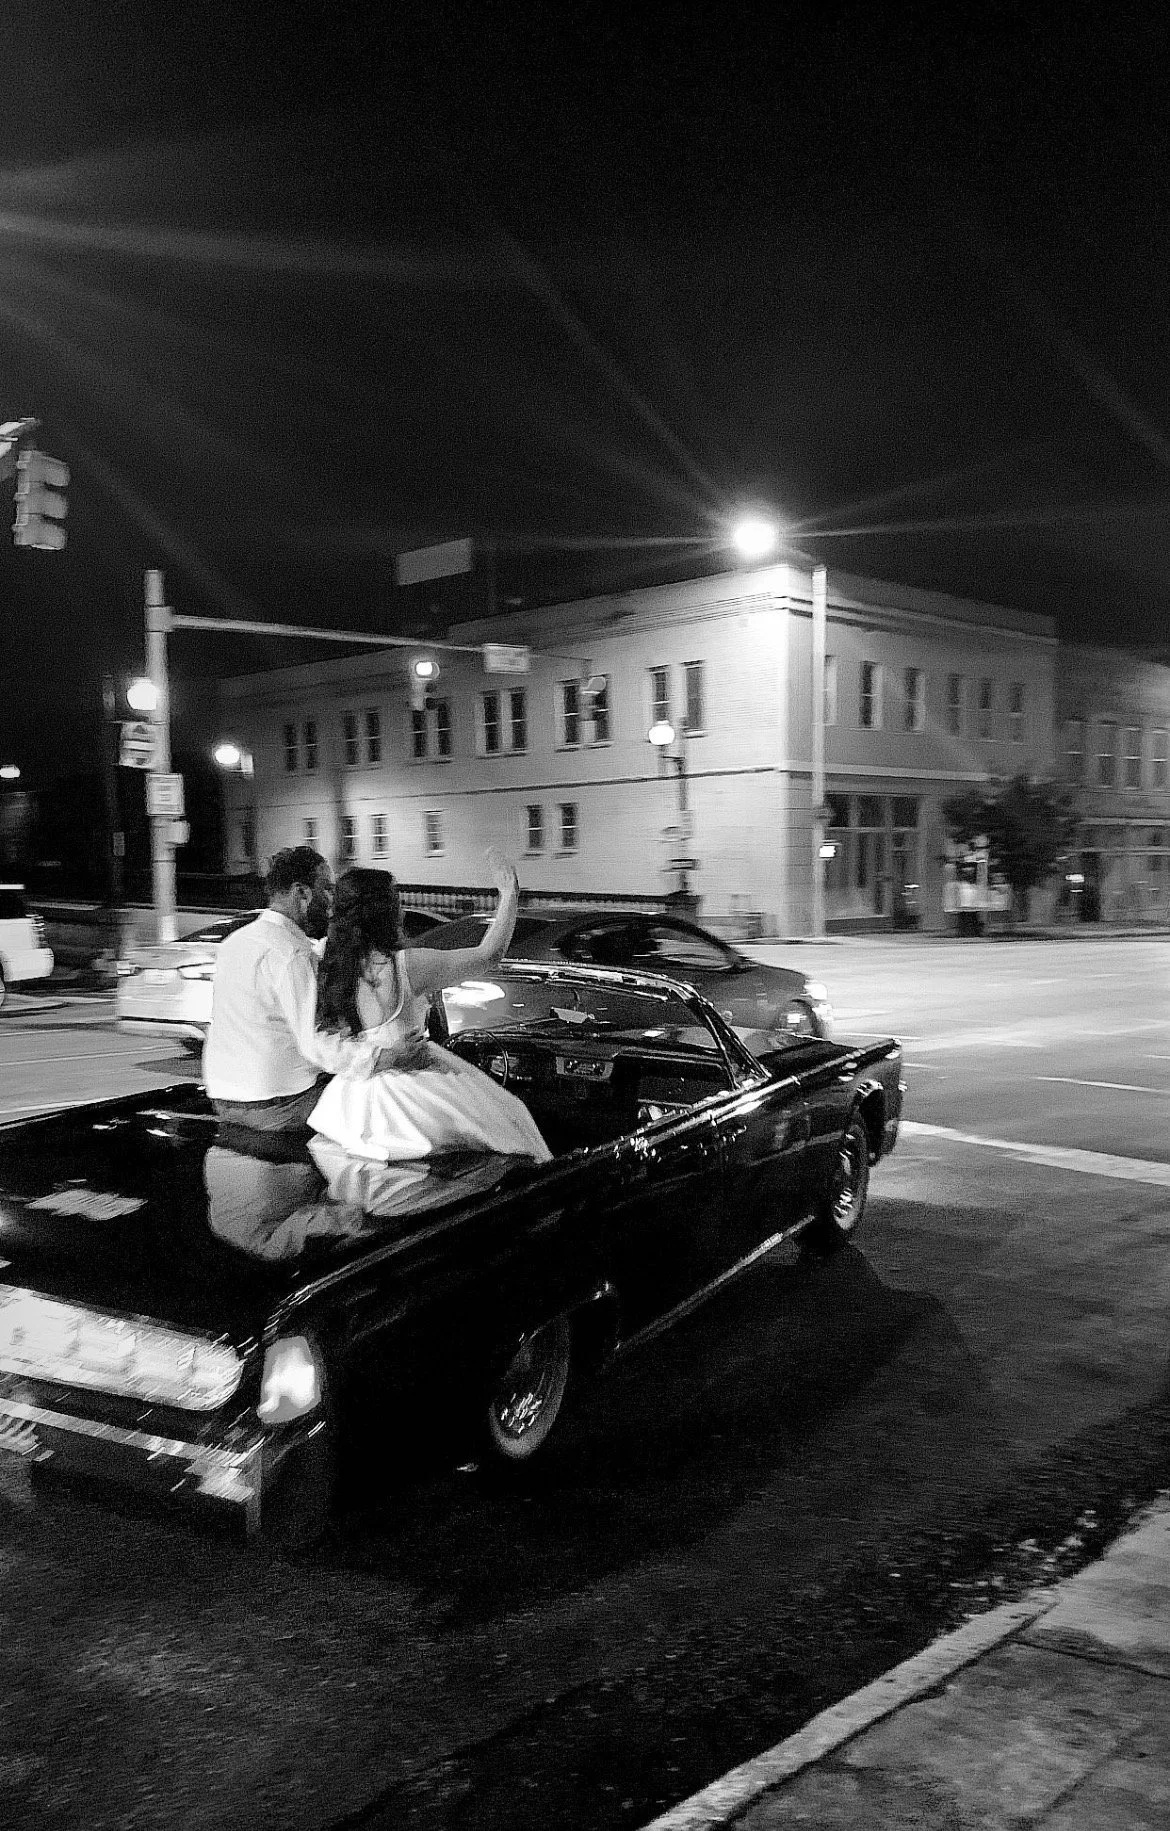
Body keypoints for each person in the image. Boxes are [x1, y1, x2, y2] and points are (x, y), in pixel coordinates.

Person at [307, 853, 552, 1164]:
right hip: (410, 1093)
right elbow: (489, 954)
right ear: (386, 912)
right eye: (395, 900)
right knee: (511, 1120)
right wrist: (508, 894)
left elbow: (319, 1040)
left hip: (354, 1101)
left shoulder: (327, 965)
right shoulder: (406, 966)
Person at [202, 846, 409, 1132]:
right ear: (302, 893)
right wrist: (384, 1058)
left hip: (224, 1098)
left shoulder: (235, 942)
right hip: (281, 1104)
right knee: (385, 1104)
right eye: (326, 889)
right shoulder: (291, 954)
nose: (332, 902)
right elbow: (316, 1042)